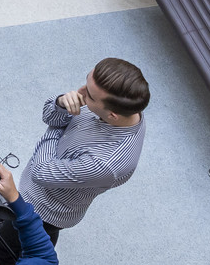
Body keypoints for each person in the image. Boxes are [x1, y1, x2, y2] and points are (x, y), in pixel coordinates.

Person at [19, 57, 149, 244]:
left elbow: (40, 172)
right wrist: (61, 104)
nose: (79, 93)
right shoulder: (119, 106)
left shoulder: (105, 164)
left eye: (89, 95)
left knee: (7, 249)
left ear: (113, 115)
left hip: (42, 211)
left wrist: (55, 128)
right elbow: (49, 115)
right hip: (29, 190)